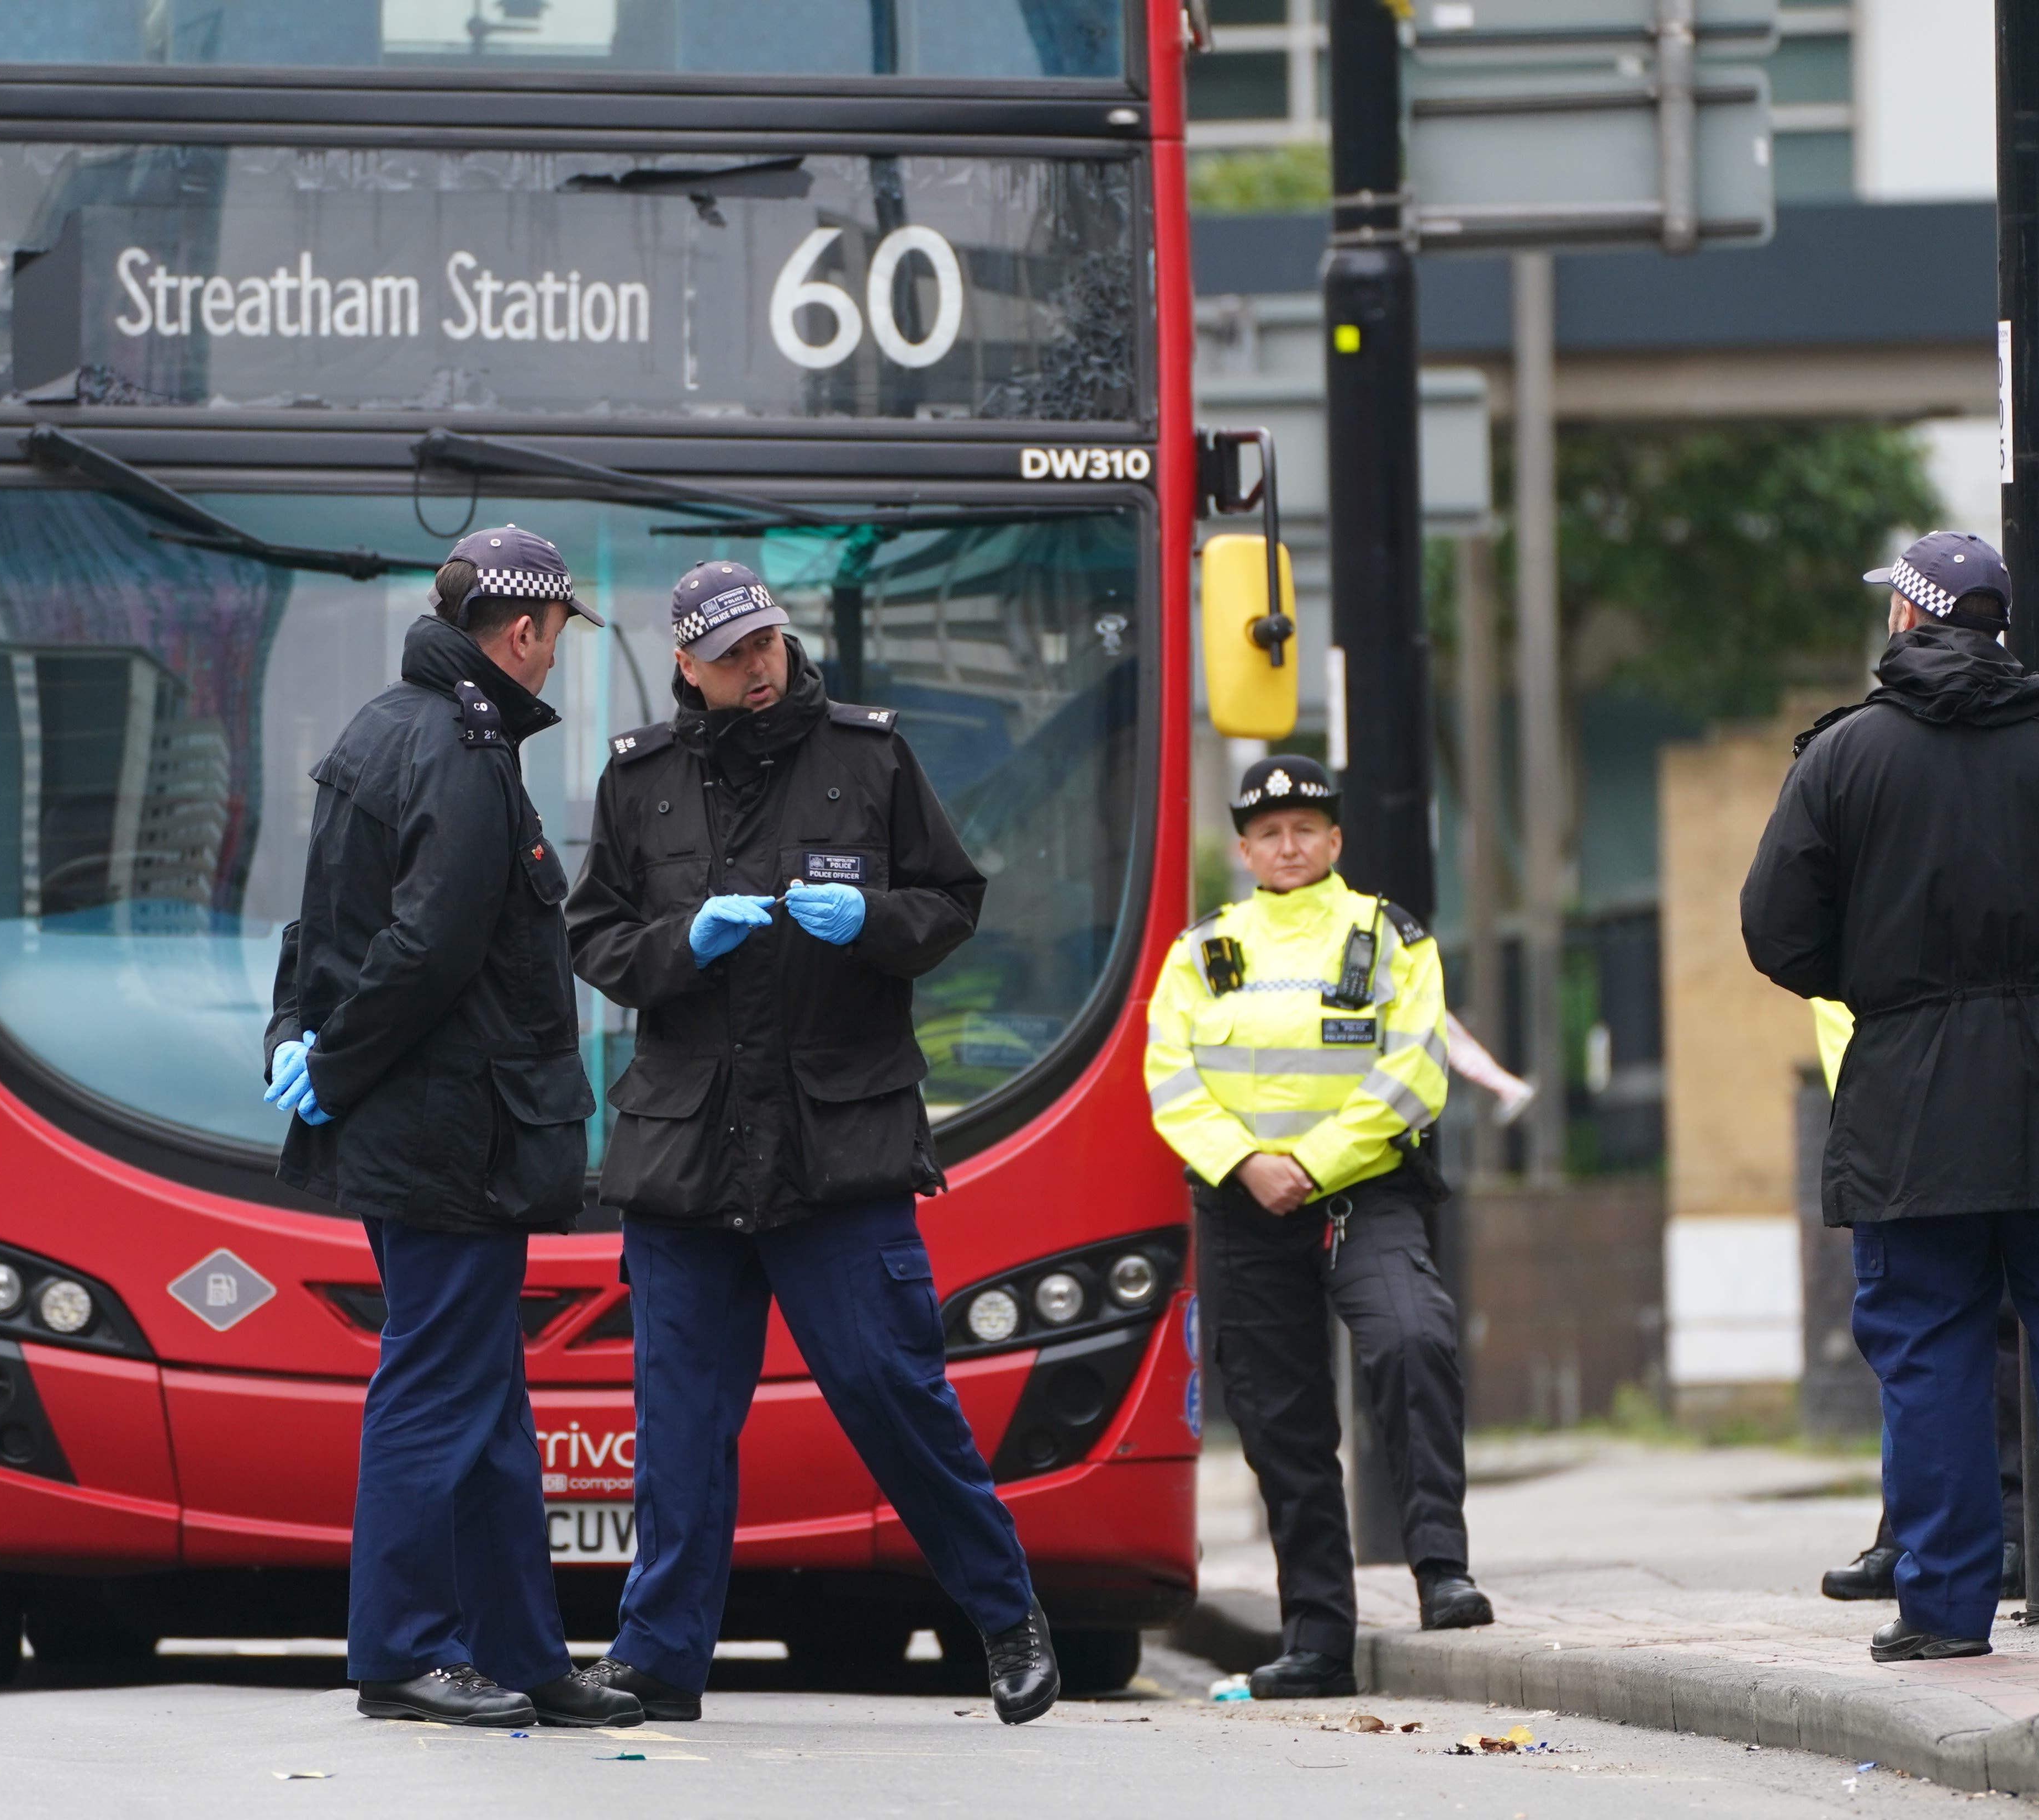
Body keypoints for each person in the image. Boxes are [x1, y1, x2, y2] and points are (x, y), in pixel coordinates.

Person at [564, 560, 1060, 1726]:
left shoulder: (868, 756)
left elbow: (955, 900)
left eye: (766, 644)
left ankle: (1006, 1618)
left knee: (898, 1394)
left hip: (838, 1149)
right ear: (686, 663)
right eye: (730, 652)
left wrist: (876, 922)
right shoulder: (641, 778)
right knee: (681, 1427)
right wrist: (685, 941)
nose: (756, 666)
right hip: (689, 1154)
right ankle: (658, 1659)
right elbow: (594, 938)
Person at [1740, 530, 2039, 1662]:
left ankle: (1943, 1610)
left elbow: (1774, 929)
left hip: (1908, 1106)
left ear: (1912, 618)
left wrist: (1889, 991)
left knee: (1932, 1352)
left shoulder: (1843, 759)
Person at [263, 526, 642, 1729]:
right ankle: (401, 1650)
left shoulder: (381, 728)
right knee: (437, 1391)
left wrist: (304, 1039)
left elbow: (315, 924)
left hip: (419, 1130)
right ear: (524, 634)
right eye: (557, 641)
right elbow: (428, 946)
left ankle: (523, 1652)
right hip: (454, 1138)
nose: (557, 662)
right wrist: (332, 1054)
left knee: (484, 1405)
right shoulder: (465, 754)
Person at [1146, 753, 1491, 1703]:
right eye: (1268, 832)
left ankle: (1440, 1570)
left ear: (1334, 842)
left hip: (1361, 1195)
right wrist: (1246, 1164)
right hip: (1240, 1205)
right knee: (1278, 1421)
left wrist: (1310, 1164)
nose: (1287, 845)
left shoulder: (1388, 939)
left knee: (1411, 1340)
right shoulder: (1200, 951)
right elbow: (1170, 1081)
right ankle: (1316, 1638)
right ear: (1242, 848)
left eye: (1304, 829)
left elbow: (1413, 1071)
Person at [1803, 1000, 2026, 1605]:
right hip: (1889, 1097)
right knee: (1915, 1345)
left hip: (1970, 1080)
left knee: (2001, 1331)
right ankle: (1910, 1536)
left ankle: (2011, 1528)